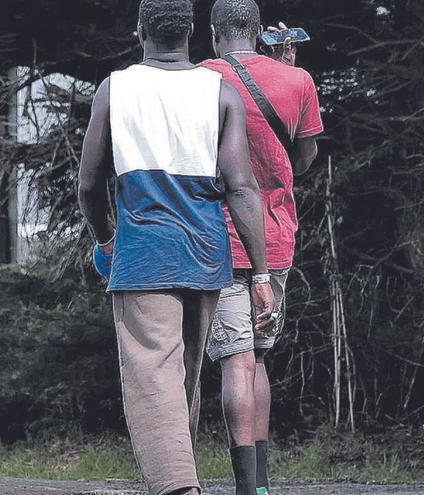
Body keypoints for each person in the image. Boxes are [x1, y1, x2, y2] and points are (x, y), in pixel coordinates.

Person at [77, 0, 276, 493]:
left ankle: (179, 488)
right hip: (206, 258)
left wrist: (106, 240)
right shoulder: (220, 92)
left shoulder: (115, 89)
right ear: (192, 32)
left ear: (140, 30)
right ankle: (178, 480)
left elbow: (88, 182)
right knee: (183, 380)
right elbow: (242, 188)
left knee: (154, 380)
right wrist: (261, 275)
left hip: (144, 256)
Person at [199, 1, 324, 494]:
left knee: (236, 359)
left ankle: (246, 488)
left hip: (219, 236)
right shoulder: (299, 82)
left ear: (214, 34)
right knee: (260, 357)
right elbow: (304, 160)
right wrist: (288, 72)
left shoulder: (200, 79)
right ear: (258, 32)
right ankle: (264, 485)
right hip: (275, 238)